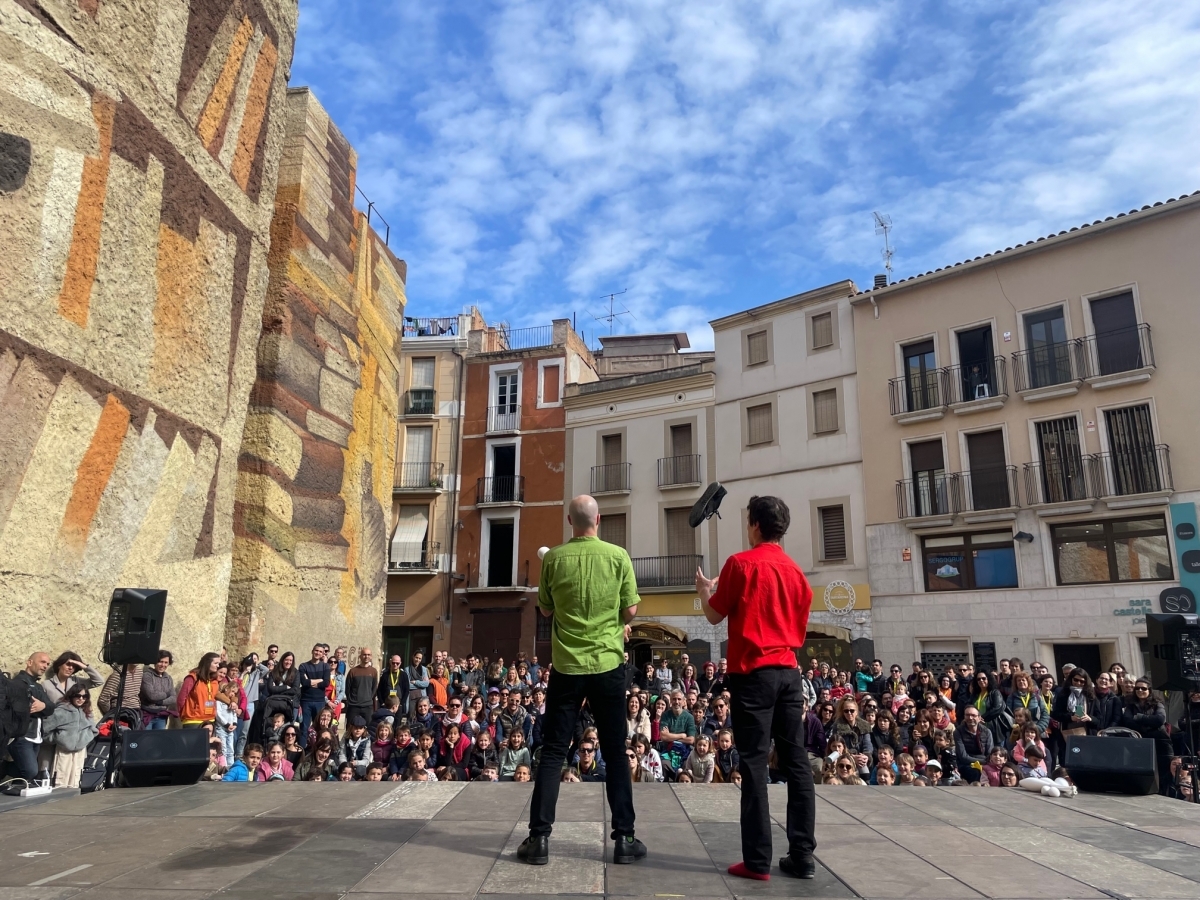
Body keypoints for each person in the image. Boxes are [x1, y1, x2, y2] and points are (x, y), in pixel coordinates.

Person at [519, 495, 645, 867]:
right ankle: (625, 839)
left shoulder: (555, 559)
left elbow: (545, 607)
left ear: (569, 521)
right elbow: (631, 608)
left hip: (568, 667)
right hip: (607, 665)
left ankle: (539, 839)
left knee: (554, 752)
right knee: (616, 751)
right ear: (598, 520)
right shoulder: (618, 556)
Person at [696, 495, 816, 881]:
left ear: (756, 525)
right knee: (796, 762)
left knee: (752, 764)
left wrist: (703, 590)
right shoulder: (797, 573)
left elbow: (715, 615)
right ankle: (802, 855)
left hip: (753, 676)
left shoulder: (739, 563)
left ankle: (757, 860)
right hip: (789, 672)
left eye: (748, 521)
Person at [42, 683, 98, 788]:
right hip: (64, 751)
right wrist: (58, 738)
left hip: (80, 752)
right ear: (71, 695)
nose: (81, 699)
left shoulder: (86, 711)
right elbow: (44, 729)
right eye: (78, 696)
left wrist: (85, 739)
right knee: (60, 781)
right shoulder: (61, 711)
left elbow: (93, 729)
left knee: (76, 781)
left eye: (84, 696)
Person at [297, 644, 331, 748]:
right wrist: (319, 680)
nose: (318, 653)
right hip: (305, 701)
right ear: (312, 651)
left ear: (323, 654)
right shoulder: (303, 666)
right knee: (304, 728)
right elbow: (304, 682)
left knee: (320, 728)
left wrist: (311, 681)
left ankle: (319, 749)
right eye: (316, 651)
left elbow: (326, 683)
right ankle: (302, 753)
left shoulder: (325, 666)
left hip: (319, 701)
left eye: (320, 652)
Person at [177, 652, 222, 730]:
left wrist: (232, 701)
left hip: (209, 720)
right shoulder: (193, 678)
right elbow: (181, 698)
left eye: (218, 663)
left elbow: (216, 695)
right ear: (207, 663)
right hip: (193, 720)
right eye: (216, 663)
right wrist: (184, 714)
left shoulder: (214, 680)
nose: (218, 666)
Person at [141, 651, 177, 731]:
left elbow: (173, 698)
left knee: (158, 741)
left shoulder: (168, 678)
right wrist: (167, 694)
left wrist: (161, 702)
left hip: (161, 716)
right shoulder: (147, 675)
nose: (163, 665)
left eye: (166, 662)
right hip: (147, 716)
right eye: (160, 662)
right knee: (146, 740)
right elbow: (151, 696)